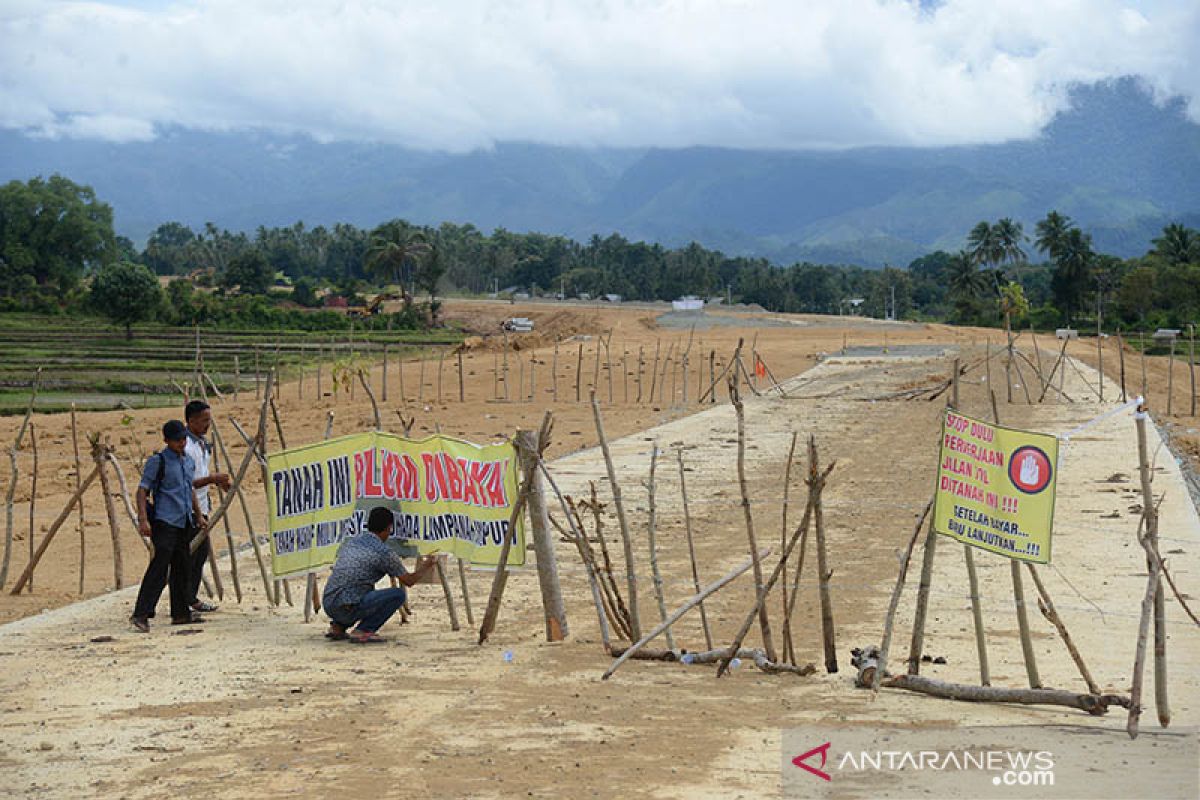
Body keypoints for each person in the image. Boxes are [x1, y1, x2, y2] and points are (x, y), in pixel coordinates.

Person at [129, 420, 208, 632]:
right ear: (167, 440)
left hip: (184, 521)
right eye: (177, 440)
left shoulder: (188, 461)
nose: (181, 443)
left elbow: (189, 489)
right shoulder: (159, 461)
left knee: (182, 567)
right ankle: (141, 614)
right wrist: (143, 519)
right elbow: (142, 490)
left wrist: (198, 516)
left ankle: (181, 613)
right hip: (165, 522)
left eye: (183, 439)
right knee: (159, 568)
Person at [322, 506, 436, 643]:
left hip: (328, 603)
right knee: (398, 594)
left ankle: (338, 627)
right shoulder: (384, 553)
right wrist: (426, 566)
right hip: (347, 607)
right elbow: (409, 581)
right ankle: (364, 630)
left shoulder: (353, 541)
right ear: (389, 528)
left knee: (360, 589)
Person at [183, 400, 232, 613]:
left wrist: (219, 482)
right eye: (204, 421)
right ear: (191, 421)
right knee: (193, 553)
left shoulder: (202, 445)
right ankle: (187, 599)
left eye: (209, 420)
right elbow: (186, 482)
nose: (207, 425)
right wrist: (212, 479)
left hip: (202, 506)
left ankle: (188, 598)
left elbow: (200, 477)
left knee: (198, 553)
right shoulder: (185, 447)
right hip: (188, 508)